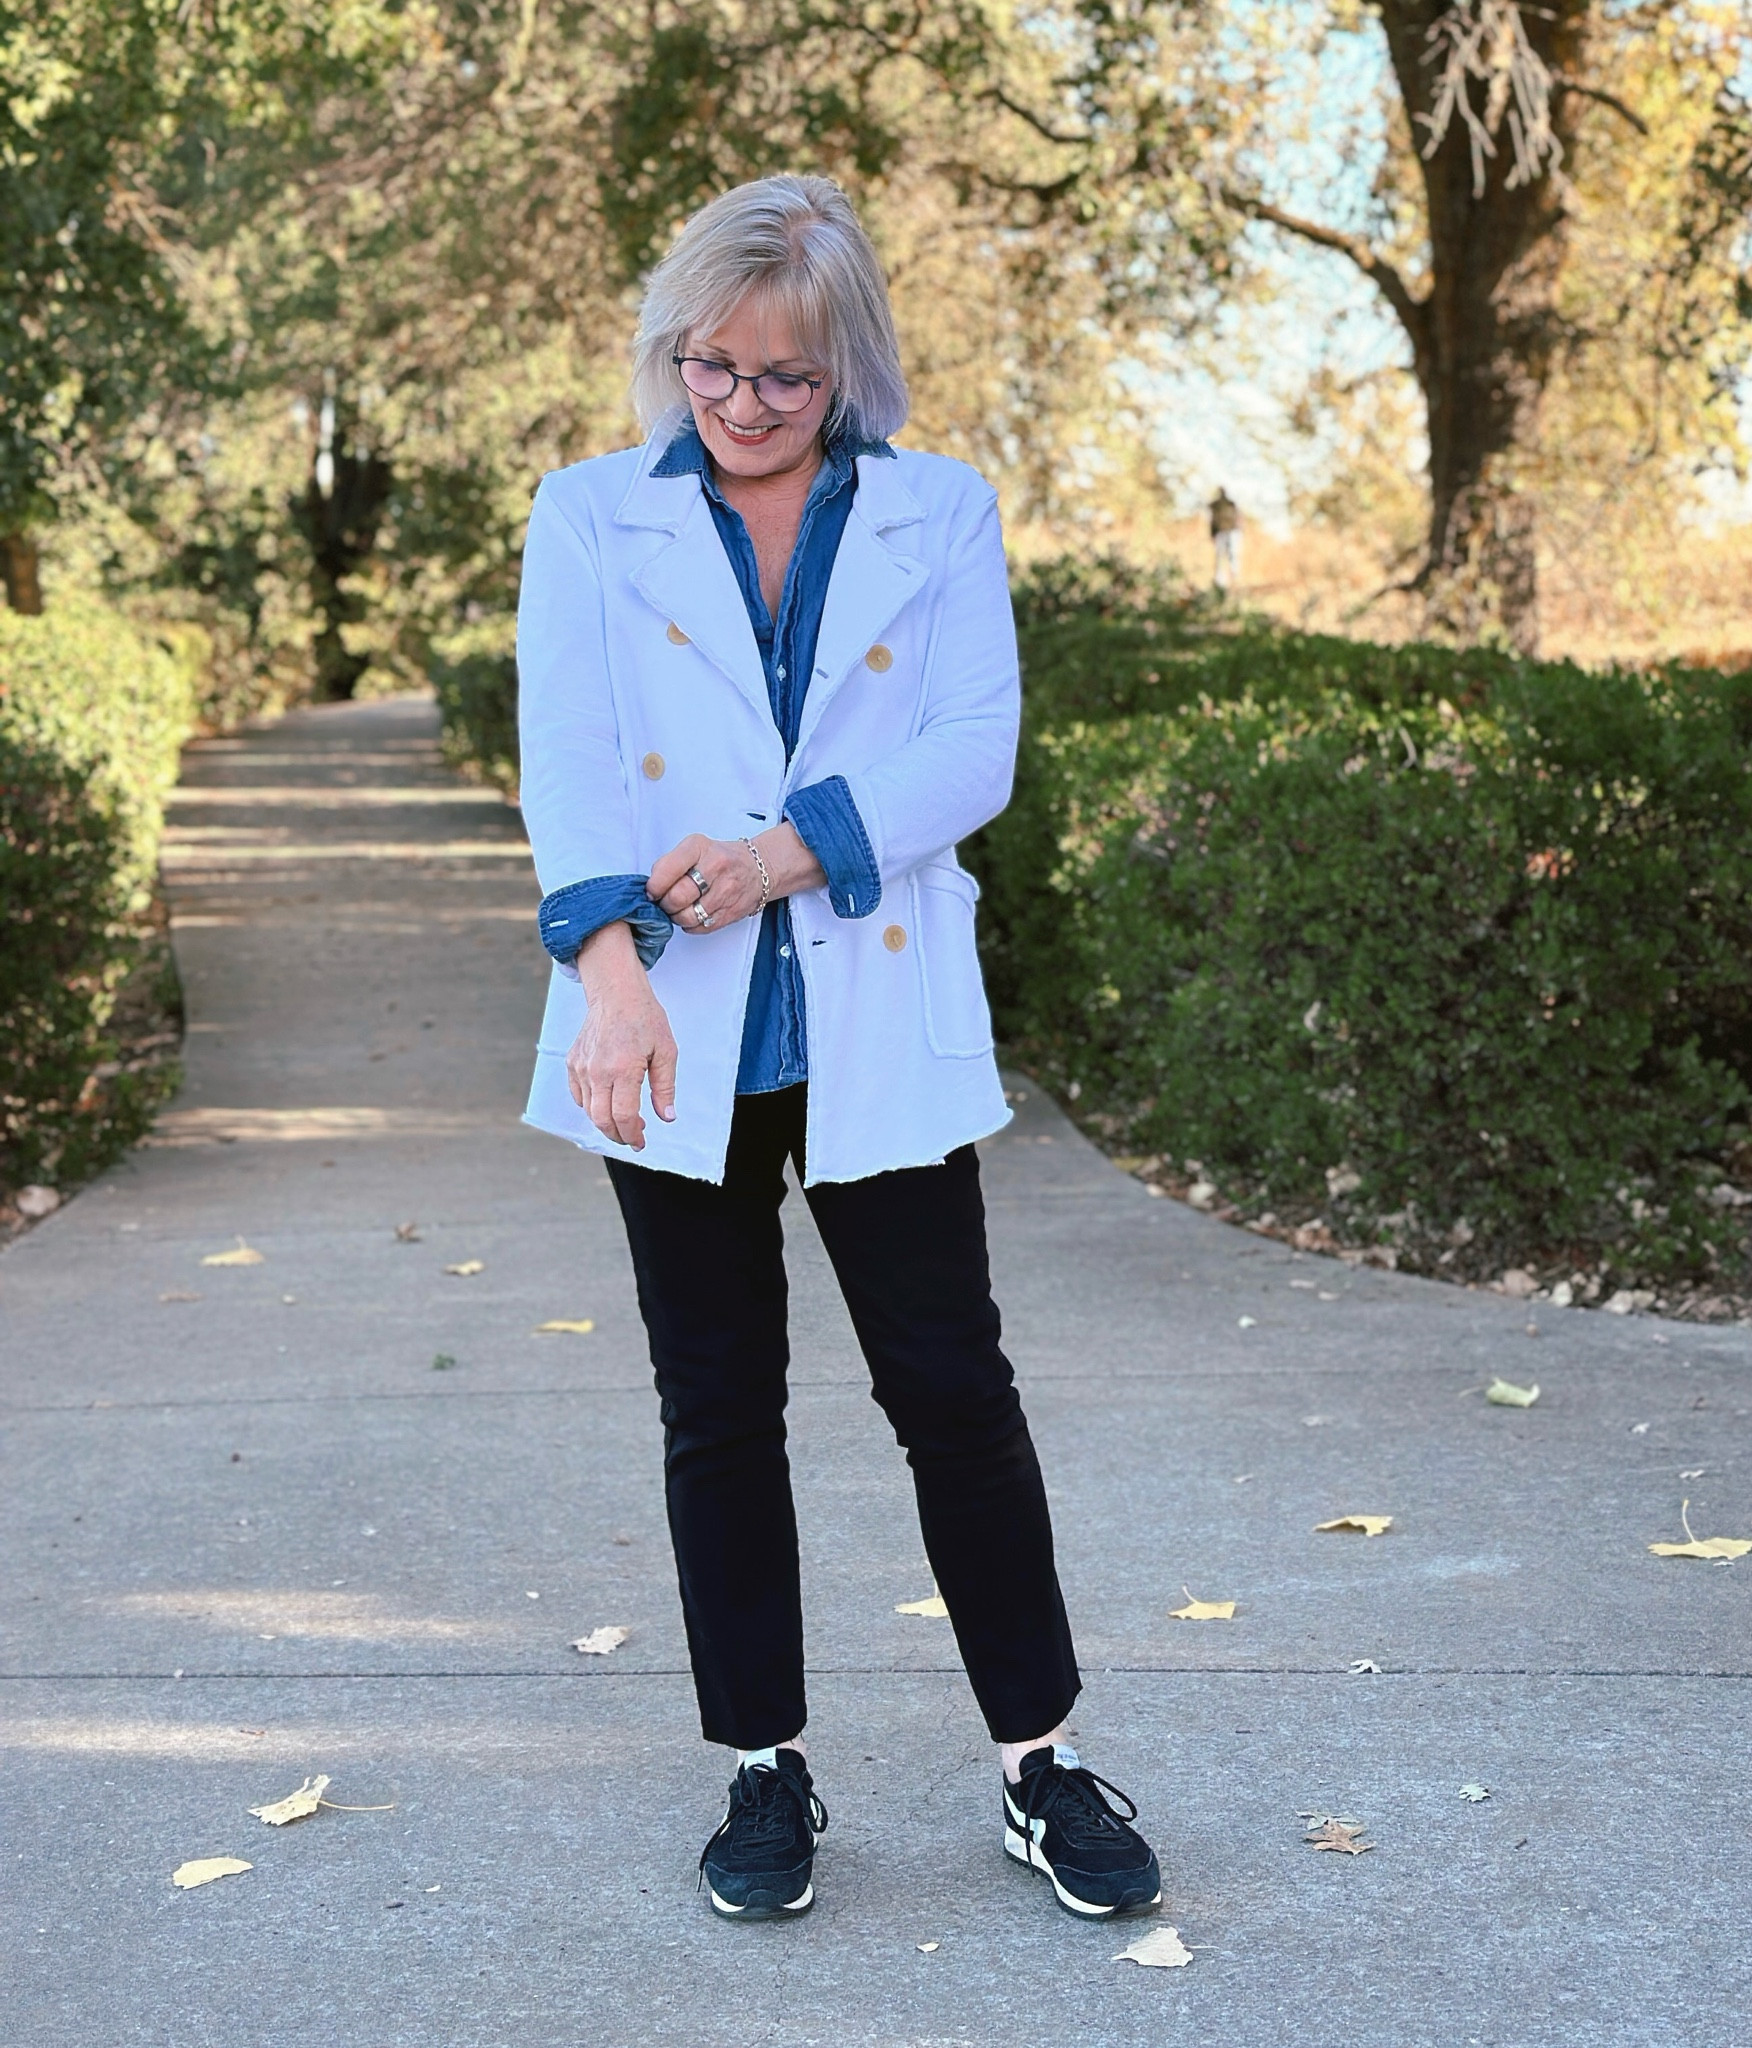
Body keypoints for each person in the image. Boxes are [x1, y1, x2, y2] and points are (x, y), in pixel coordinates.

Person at [514, 174, 1161, 1926]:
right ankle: (764, 1765)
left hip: (870, 1007)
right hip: (673, 1022)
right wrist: (612, 974)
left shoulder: (937, 512)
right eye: (704, 365)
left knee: (950, 1389)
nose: (734, 403)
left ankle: (1039, 1761)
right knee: (715, 1406)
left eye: (779, 378)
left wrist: (789, 848)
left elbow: (975, 749)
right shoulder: (586, 516)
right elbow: (569, 757)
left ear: (845, 367)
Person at [1208, 485, 1241, 590]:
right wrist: (1213, 533)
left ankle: (1234, 579)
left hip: (1231, 532)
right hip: (1222, 533)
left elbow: (1237, 519)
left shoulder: (1231, 504)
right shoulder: (1215, 506)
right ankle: (1221, 581)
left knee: (1232, 555)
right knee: (1221, 556)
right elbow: (1213, 520)